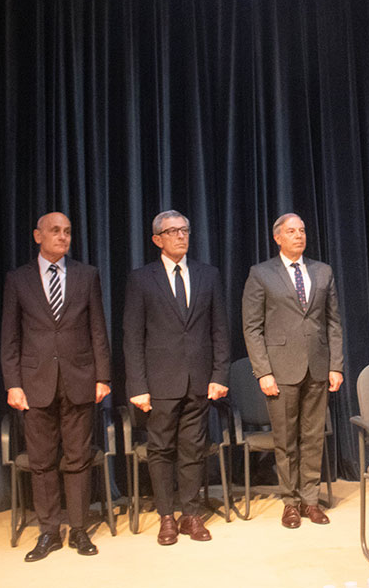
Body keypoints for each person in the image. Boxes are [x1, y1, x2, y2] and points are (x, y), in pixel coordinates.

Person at [0, 212, 111, 562]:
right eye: (55, 231)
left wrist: (103, 377)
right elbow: (10, 337)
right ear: (38, 236)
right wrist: (13, 384)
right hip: (35, 384)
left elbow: (98, 329)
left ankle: (78, 528)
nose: (62, 237)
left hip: (80, 380)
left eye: (67, 232)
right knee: (42, 462)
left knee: (78, 459)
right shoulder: (18, 279)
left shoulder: (86, 275)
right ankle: (49, 532)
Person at [123, 210, 230, 545]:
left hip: (199, 380)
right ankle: (166, 516)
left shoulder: (207, 274)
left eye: (185, 230)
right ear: (157, 239)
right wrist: (138, 385)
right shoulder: (142, 279)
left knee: (193, 450)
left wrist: (219, 374)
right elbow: (132, 337)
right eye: (173, 231)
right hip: (159, 383)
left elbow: (219, 330)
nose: (181, 236)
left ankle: (191, 514)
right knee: (160, 450)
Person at [241, 213, 344, 529]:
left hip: (317, 366)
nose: (299, 235)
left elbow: (333, 322)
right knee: (285, 439)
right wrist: (263, 372)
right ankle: (290, 502)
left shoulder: (323, 271)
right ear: (278, 237)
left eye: (302, 230)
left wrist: (336, 365)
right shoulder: (261, 274)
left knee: (312, 437)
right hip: (280, 369)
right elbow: (252, 327)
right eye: (291, 231)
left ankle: (310, 500)